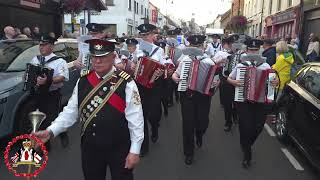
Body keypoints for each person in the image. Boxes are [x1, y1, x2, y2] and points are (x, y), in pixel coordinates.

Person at [33, 39, 144, 180]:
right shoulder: (83, 80)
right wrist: (51, 131)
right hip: (90, 147)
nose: (97, 61)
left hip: (119, 146)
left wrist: (135, 150)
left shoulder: (126, 82)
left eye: (102, 56)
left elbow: (136, 118)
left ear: (113, 57)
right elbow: (71, 111)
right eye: (94, 57)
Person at [227, 39, 279, 169]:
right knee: (245, 127)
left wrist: (275, 82)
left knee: (258, 127)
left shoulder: (266, 66)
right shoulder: (241, 65)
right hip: (244, 101)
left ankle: (246, 144)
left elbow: (273, 83)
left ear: (260, 50)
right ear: (247, 50)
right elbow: (229, 78)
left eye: (256, 50)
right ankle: (247, 155)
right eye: (251, 50)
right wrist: (234, 83)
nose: (253, 52)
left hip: (261, 102)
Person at [172, 35, 216, 165]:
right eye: (193, 46)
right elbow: (176, 73)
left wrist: (214, 83)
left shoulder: (209, 62)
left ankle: (200, 133)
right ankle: (188, 152)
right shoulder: (185, 60)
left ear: (203, 47)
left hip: (203, 96)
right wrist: (174, 78)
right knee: (188, 124)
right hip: (187, 95)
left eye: (198, 46)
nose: (196, 49)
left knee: (202, 122)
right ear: (189, 46)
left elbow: (215, 82)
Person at [29, 35, 69, 150]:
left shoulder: (59, 61)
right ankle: (45, 147)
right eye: (40, 45)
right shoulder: (35, 59)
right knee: (41, 120)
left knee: (53, 117)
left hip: (52, 94)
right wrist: (27, 78)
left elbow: (63, 77)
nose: (41, 47)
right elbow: (30, 73)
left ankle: (63, 132)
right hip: (38, 94)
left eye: (44, 45)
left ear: (51, 46)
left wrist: (48, 80)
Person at [137, 23, 165, 156]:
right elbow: (133, 66)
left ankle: (154, 127)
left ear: (152, 36)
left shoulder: (158, 50)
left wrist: (160, 71)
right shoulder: (137, 49)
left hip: (154, 86)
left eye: (147, 35)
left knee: (153, 115)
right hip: (140, 86)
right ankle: (144, 146)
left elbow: (163, 66)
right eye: (143, 35)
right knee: (141, 116)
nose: (145, 38)